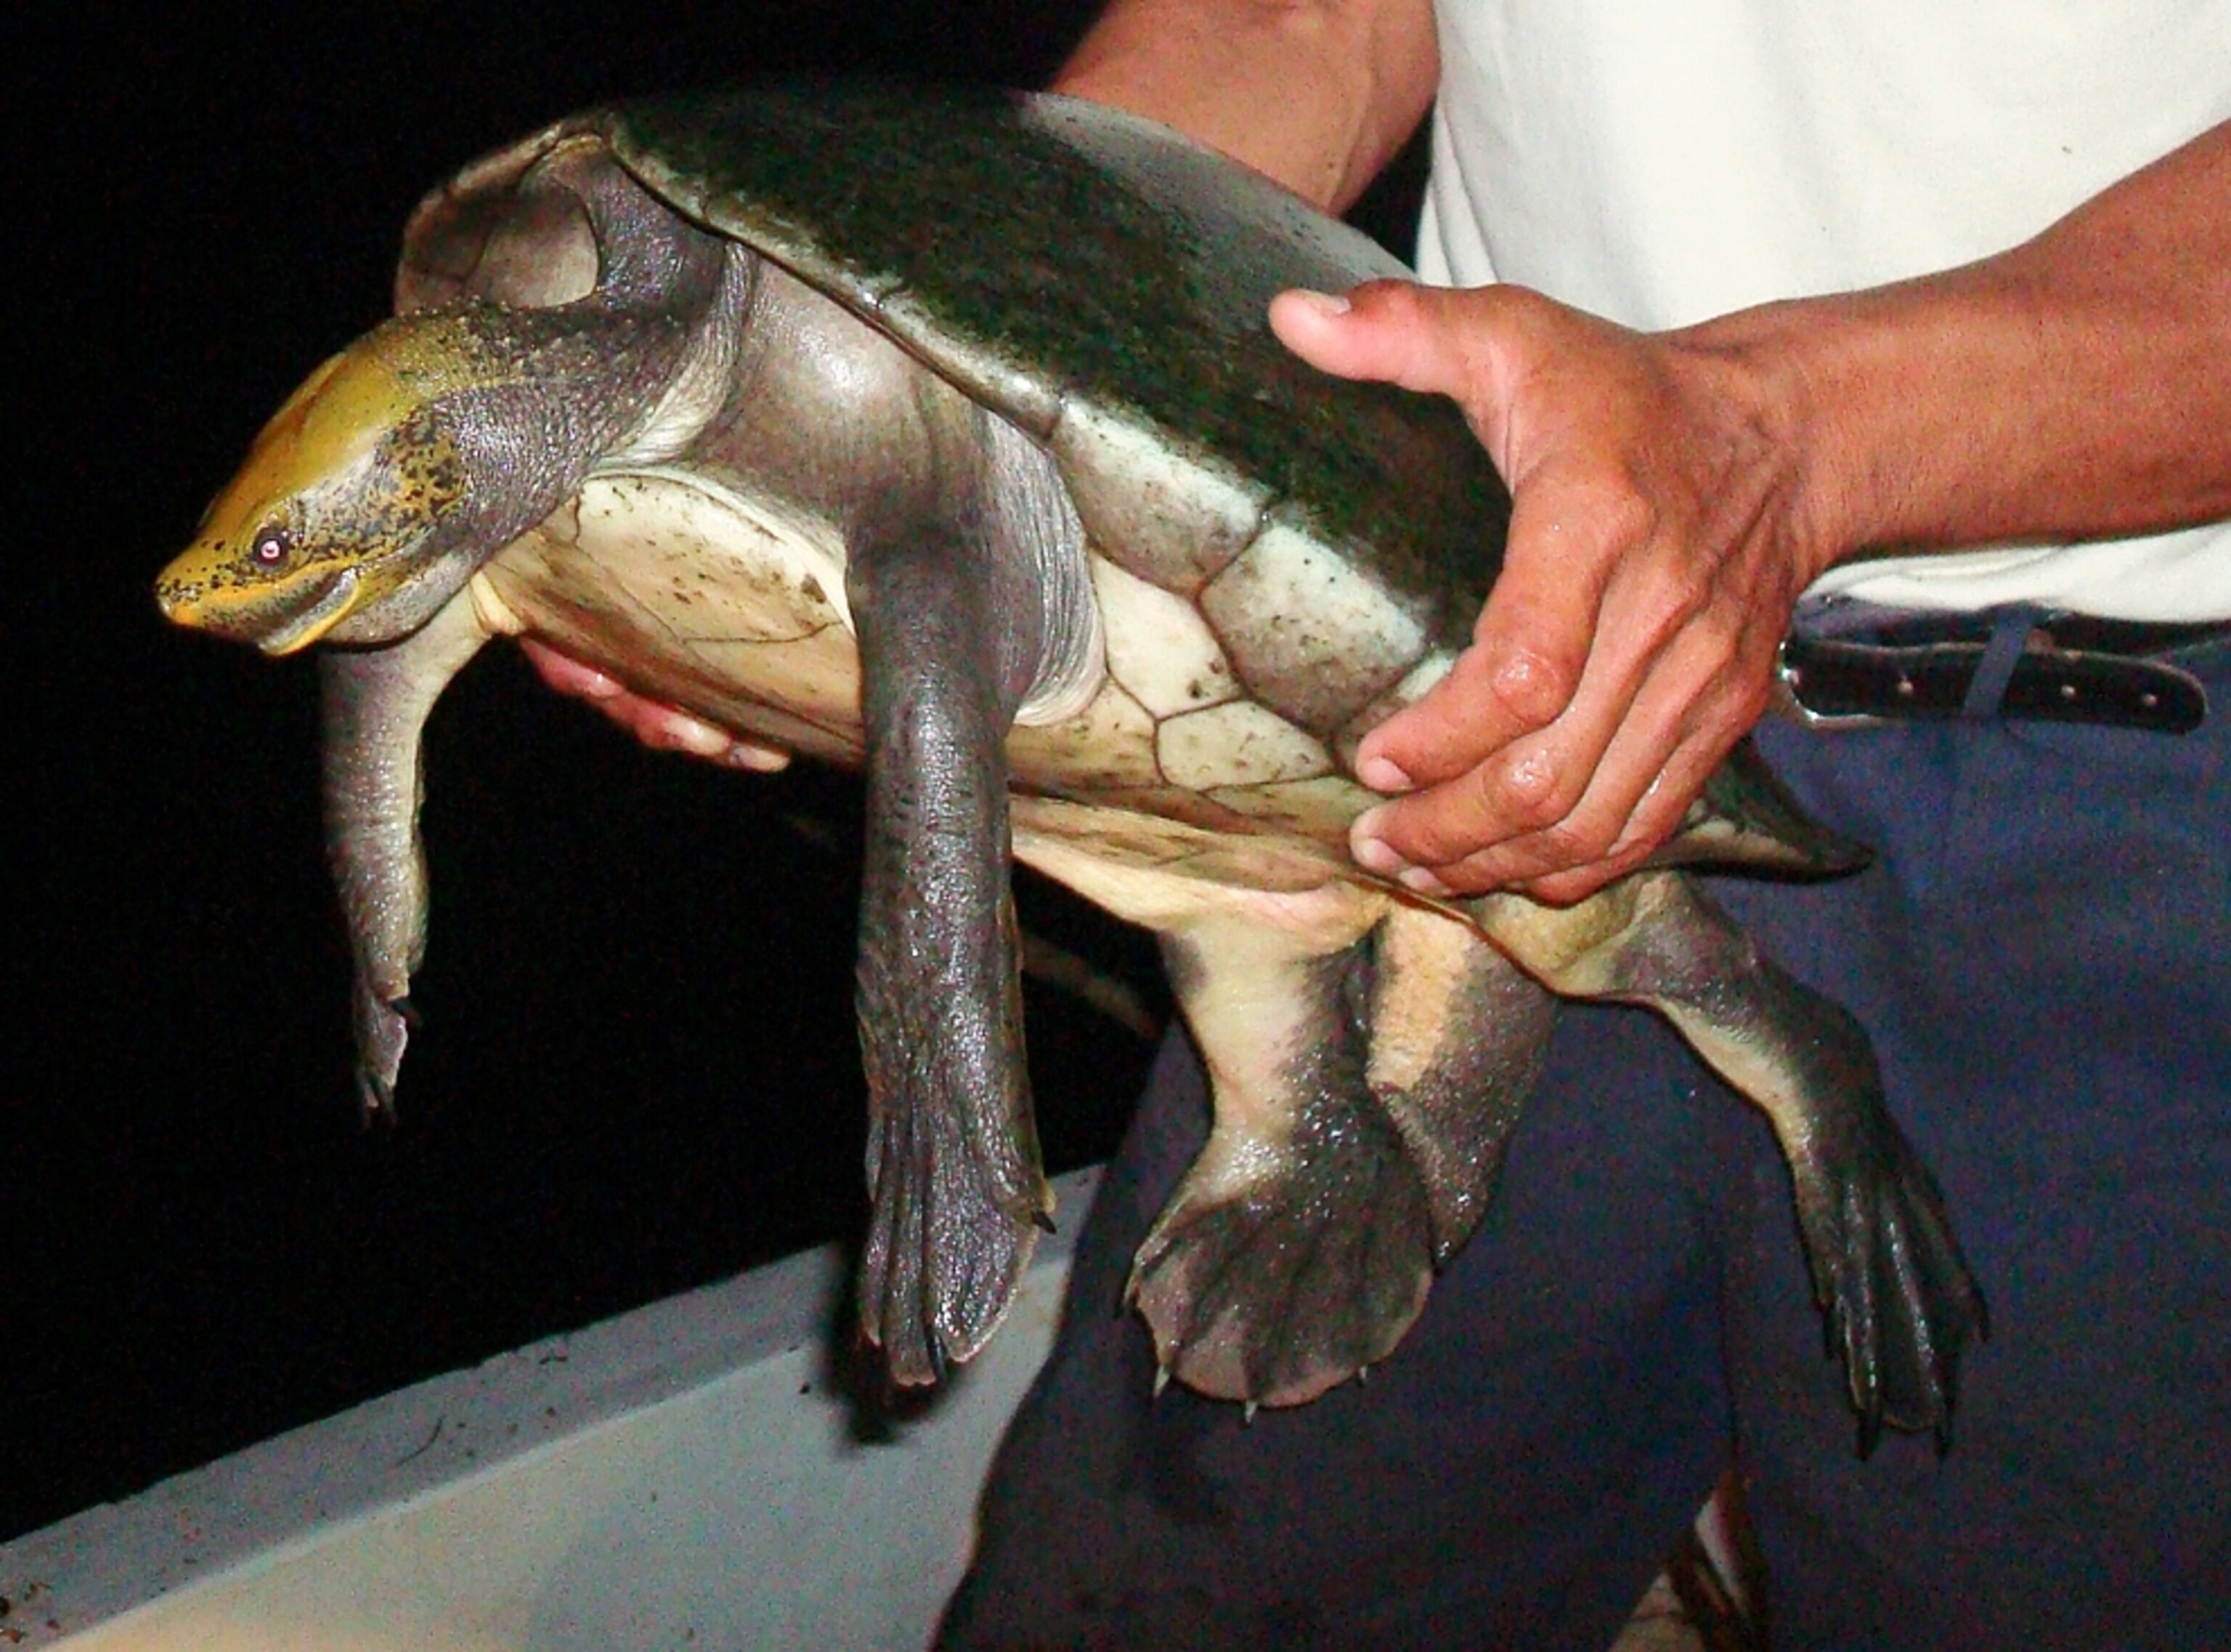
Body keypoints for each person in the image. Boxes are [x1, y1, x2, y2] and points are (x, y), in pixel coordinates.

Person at [537, 4, 2231, 1644]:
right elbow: (1301, 22)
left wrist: (1779, 445)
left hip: (2114, 789)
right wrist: (895, 424)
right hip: (1449, 634)